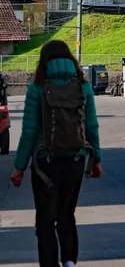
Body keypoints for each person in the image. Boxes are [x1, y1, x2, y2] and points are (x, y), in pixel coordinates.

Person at [10, 40, 102, 267]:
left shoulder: (37, 87)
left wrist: (19, 167)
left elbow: (29, 131)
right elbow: (91, 127)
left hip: (44, 162)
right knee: (66, 214)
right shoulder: (83, 86)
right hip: (76, 158)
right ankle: (69, 261)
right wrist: (96, 159)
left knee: (45, 219)